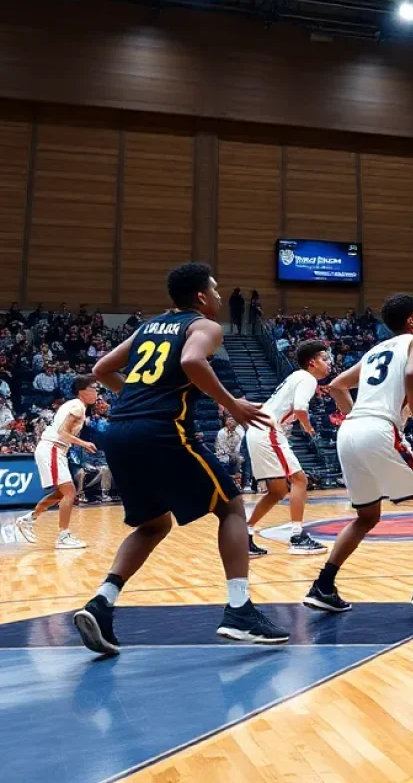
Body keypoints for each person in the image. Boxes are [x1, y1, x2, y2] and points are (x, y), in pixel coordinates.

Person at [71, 262, 288, 656]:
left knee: (153, 526)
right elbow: (191, 362)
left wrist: (138, 397)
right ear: (202, 296)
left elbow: (102, 369)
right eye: (217, 291)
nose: (221, 298)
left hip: (121, 432)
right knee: (232, 508)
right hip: (162, 430)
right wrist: (232, 404)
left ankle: (101, 603)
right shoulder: (204, 326)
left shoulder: (149, 327)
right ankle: (240, 610)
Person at [304, 294, 413, 614]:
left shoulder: (377, 350)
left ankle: (323, 585)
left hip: (349, 433)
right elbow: (411, 376)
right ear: (410, 322)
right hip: (377, 430)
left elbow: (336, 386)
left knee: (367, 516)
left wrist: (357, 418)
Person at [243, 339, 332, 556]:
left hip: (259, 430)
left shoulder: (296, 377)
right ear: (312, 362)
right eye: (324, 359)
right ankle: (297, 537)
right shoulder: (307, 379)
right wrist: (309, 428)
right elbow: (301, 409)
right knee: (300, 479)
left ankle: (244, 535)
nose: (329, 363)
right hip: (269, 431)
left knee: (277, 491)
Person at [16, 374, 99, 549]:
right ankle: (63, 536)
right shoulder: (77, 406)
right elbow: (62, 433)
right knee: (70, 492)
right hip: (53, 448)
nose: (97, 393)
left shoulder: (75, 405)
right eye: (94, 389)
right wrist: (84, 444)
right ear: (82, 391)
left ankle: (28, 520)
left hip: (54, 449)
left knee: (62, 493)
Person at [215, 415, 244, 480]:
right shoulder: (221, 433)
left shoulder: (240, 431)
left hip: (236, 455)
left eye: (233, 420)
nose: (232, 421)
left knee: (241, 458)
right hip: (224, 455)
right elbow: (224, 448)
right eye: (229, 420)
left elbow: (239, 447)